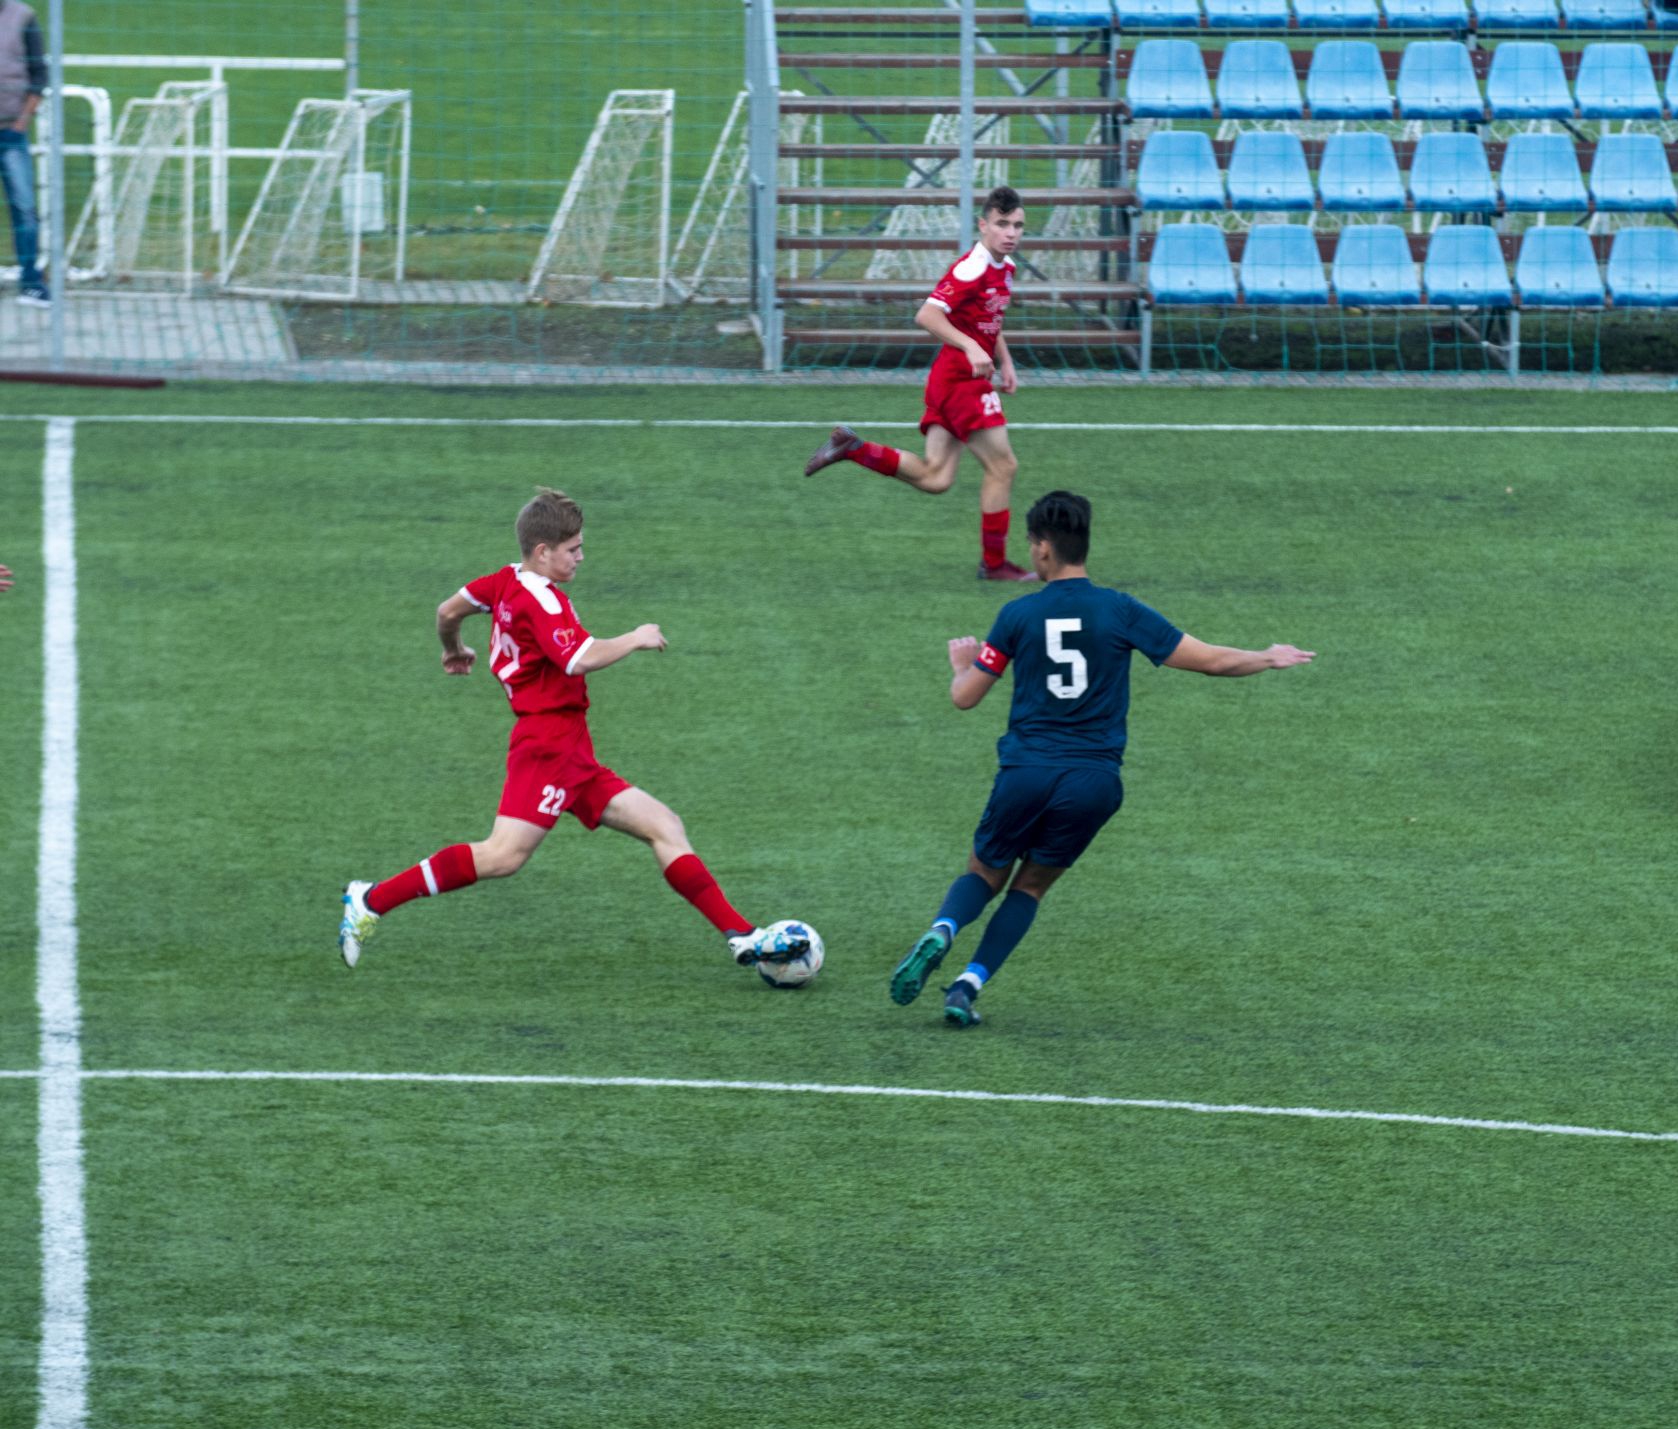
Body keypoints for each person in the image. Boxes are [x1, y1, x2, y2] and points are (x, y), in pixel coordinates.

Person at [338, 487, 810, 975]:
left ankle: (740, 934)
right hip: (549, 745)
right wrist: (636, 637)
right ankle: (370, 900)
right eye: (573, 549)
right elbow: (579, 659)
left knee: (663, 825)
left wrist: (453, 649)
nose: (581, 557)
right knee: (502, 856)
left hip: (569, 746)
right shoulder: (544, 601)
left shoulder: (505, 580)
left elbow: (447, 611)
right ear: (543, 551)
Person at [889, 490, 1317, 1027]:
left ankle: (944, 929)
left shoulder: (1017, 614)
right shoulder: (1121, 610)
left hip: (1026, 772)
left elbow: (965, 697)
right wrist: (1266, 657)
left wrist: (962, 664)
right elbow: (1210, 661)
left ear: (1043, 549)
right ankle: (967, 987)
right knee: (1031, 885)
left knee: (985, 872)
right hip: (1093, 783)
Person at [802, 185, 1035, 582]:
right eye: (1002, 224)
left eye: (1017, 225)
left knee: (936, 477)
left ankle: (853, 448)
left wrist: (1006, 360)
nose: (1010, 233)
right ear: (983, 225)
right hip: (961, 381)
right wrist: (970, 347)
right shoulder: (972, 267)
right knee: (1003, 466)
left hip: (952, 378)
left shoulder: (1005, 267)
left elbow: (987, 319)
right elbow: (927, 315)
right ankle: (995, 565)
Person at [0, 0, 48, 307]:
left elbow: (39, 76)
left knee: (24, 207)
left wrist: (20, 124)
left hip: (10, 130)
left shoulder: (23, 16)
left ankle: (31, 282)